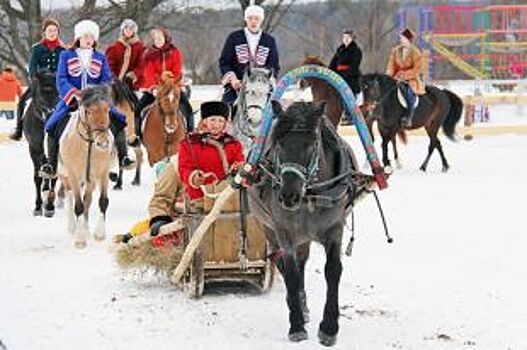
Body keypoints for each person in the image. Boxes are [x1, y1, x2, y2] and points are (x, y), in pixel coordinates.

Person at [40, 19, 135, 178]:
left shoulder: (100, 57)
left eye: (91, 37)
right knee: (52, 124)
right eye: (85, 37)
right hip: (72, 99)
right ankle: (51, 164)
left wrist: (95, 93)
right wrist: (74, 94)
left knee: (119, 119)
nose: (89, 40)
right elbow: (61, 79)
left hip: (95, 100)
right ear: (78, 38)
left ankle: (123, 157)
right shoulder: (66, 55)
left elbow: (106, 79)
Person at [148, 101, 244, 236]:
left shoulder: (233, 144)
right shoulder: (190, 143)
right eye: (212, 120)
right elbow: (184, 167)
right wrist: (193, 177)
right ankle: (159, 218)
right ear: (204, 121)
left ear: (225, 123)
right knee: (170, 173)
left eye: (220, 121)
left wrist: (238, 167)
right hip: (199, 196)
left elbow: (240, 161)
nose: (216, 125)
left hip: (225, 197)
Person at [133, 27, 193, 142]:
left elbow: (177, 70)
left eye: (160, 38)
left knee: (187, 108)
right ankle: (138, 136)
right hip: (155, 88)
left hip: (173, 86)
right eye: (156, 38)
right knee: (139, 109)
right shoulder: (148, 54)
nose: (158, 40)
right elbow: (148, 73)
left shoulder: (174, 52)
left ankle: (190, 134)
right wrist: (154, 87)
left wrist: (172, 83)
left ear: (166, 38)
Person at [11, 18, 65, 140]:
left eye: (55, 30)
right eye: (50, 30)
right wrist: (35, 77)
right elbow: (32, 66)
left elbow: (64, 67)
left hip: (57, 82)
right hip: (40, 81)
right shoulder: (37, 48)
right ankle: (19, 129)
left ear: (58, 33)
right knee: (22, 100)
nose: (52, 33)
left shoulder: (63, 50)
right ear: (44, 32)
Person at [219, 4, 280, 108]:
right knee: (225, 109)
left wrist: (265, 81)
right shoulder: (234, 37)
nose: (253, 21)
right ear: (246, 19)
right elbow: (224, 62)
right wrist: (233, 80)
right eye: (250, 18)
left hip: (262, 85)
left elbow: (274, 65)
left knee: (274, 110)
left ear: (261, 20)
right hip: (237, 84)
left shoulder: (269, 40)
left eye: (257, 18)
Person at [386, 27, 425, 127]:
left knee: (409, 94)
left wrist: (405, 75)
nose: (400, 40)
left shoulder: (416, 52)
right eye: (400, 38)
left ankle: (409, 116)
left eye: (402, 38)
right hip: (397, 77)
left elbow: (417, 69)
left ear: (408, 39)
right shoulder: (395, 51)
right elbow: (391, 65)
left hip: (411, 79)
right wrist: (388, 76)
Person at [105, 18, 145, 89]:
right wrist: (115, 78)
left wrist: (134, 74)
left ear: (134, 31)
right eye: (126, 29)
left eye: (131, 29)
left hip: (134, 82)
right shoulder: (114, 47)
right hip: (117, 81)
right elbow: (109, 65)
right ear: (122, 31)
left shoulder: (140, 47)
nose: (128, 31)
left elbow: (142, 64)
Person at [329, 29, 362, 97]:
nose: (346, 39)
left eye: (348, 37)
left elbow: (354, 66)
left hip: (350, 77)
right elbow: (333, 63)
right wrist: (329, 73)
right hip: (337, 75)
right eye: (344, 37)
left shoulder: (356, 50)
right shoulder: (339, 50)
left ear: (352, 38)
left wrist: (344, 74)